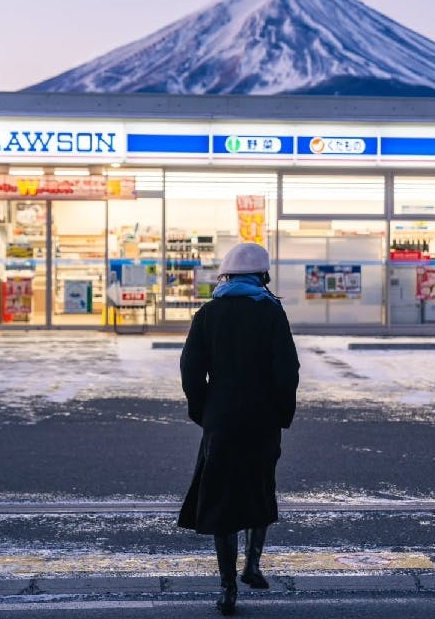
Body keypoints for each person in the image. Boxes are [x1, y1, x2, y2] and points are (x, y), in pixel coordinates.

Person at [178, 242, 299, 616]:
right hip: (261, 418)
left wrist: (204, 411)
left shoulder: (207, 314)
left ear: (226, 275)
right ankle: (253, 565)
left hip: (222, 419)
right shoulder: (272, 313)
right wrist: (281, 414)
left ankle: (228, 587)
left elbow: (191, 371)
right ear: (263, 276)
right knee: (259, 487)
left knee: (221, 499)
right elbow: (287, 372)